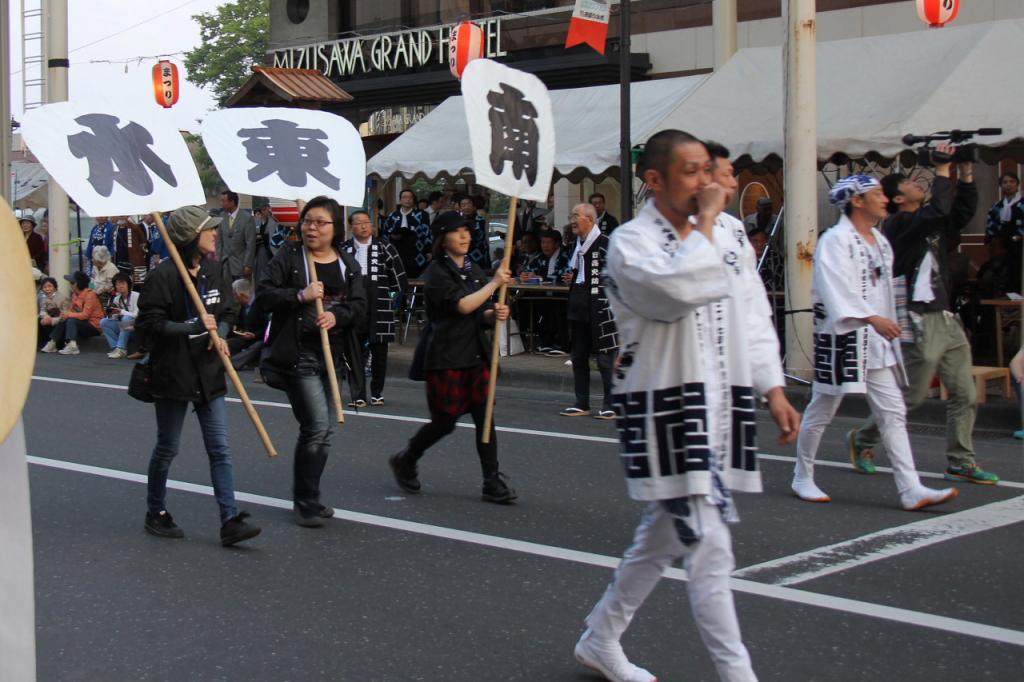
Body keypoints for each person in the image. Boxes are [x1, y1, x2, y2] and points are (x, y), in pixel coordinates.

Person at [575, 130, 800, 682]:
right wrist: (706, 226)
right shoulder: (630, 243)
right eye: (692, 172)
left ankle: (601, 637)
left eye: (708, 170)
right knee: (709, 547)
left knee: (664, 536)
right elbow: (676, 292)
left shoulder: (724, 232)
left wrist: (771, 386)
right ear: (654, 180)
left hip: (722, 401)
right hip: (666, 408)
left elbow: (750, 310)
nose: (707, 183)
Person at [793, 175, 959, 510]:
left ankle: (910, 488)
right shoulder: (835, 240)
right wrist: (871, 318)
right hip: (843, 338)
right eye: (877, 193)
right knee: (823, 407)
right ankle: (802, 475)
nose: (885, 198)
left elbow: (885, 287)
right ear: (856, 200)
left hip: (878, 340)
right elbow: (834, 288)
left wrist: (890, 322)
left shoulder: (881, 242)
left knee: (893, 412)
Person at [849, 146, 1000, 485]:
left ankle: (961, 460)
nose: (918, 181)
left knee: (964, 392)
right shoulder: (899, 225)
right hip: (919, 317)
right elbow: (938, 210)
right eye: (907, 182)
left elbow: (960, 211)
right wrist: (942, 170)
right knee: (913, 395)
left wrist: (965, 172)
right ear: (897, 200)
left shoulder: (929, 219)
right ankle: (864, 438)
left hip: (945, 315)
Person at [135, 205, 261, 546]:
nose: (216, 234)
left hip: (208, 371)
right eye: (209, 230)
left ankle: (230, 519)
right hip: (173, 371)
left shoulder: (213, 269)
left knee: (220, 447)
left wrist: (220, 331)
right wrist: (190, 326)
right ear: (192, 236)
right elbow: (148, 325)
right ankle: (155, 511)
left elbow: (228, 310)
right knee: (168, 447)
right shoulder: (163, 276)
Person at [387, 211, 517, 504]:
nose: (465, 237)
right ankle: (407, 457)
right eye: (457, 232)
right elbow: (461, 306)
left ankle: (491, 480)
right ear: (442, 239)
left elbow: (479, 310)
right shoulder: (436, 272)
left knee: (485, 417)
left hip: (476, 353)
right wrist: (494, 284)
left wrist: (493, 313)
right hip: (446, 356)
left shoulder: (474, 270)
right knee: (444, 422)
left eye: (467, 231)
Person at [258, 196, 367, 528]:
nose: (312, 227)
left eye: (320, 222)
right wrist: (299, 295)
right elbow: (263, 295)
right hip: (297, 354)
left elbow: (359, 306)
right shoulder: (290, 256)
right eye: (308, 220)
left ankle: (311, 496)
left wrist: (337, 315)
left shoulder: (348, 263)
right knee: (317, 426)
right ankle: (305, 501)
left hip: (333, 354)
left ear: (335, 228)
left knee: (325, 429)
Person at [342, 209, 407, 407]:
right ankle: (358, 394)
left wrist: (393, 299)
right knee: (355, 350)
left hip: (380, 302)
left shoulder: (385, 247)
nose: (363, 226)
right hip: (354, 303)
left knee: (380, 351)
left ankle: (377, 392)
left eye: (366, 222)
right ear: (350, 226)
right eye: (358, 222)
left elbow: (399, 278)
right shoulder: (344, 249)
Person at [560, 203, 618, 420]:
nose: (572, 220)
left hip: (602, 308)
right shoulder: (576, 245)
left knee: (605, 358)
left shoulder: (606, 244)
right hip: (579, 305)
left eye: (576, 216)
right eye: (571, 215)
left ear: (590, 220)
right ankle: (581, 401)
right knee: (579, 357)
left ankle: (610, 403)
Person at [524, 229, 571, 355]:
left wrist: (540, 278)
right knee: (531, 307)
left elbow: (564, 276)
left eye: (548, 243)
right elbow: (529, 270)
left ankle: (562, 344)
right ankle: (545, 343)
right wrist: (527, 275)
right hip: (543, 295)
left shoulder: (565, 257)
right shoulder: (539, 257)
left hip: (563, 296)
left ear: (557, 244)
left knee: (558, 310)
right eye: (543, 242)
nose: (544, 246)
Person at [41, 271, 102, 355]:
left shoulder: (90, 295)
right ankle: (52, 343)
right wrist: (64, 314)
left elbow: (85, 315)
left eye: (71, 282)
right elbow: (72, 311)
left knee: (70, 319)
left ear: (76, 284)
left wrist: (68, 314)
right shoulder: (75, 295)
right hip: (81, 323)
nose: (70, 284)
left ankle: (72, 346)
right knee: (66, 319)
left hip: (94, 326)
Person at [382, 189, 432, 278]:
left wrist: (429, 250)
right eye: (404, 197)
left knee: (415, 276)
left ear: (413, 200)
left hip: (416, 251)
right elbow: (385, 232)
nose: (407, 200)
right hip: (397, 251)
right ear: (400, 200)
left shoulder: (422, 215)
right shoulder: (393, 215)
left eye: (410, 197)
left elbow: (427, 233)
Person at [226, 278, 267, 370]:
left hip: (261, 338)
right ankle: (224, 361)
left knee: (256, 347)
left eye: (235, 295)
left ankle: (233, 364)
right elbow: (240, 322)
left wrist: (255, 335)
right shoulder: (244, 306)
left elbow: (268, 327)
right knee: (230, 343)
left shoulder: (261, 305)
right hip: (247, 336)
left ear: (242, 295)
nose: (234, 298)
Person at [216, 190, 256, 281]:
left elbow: (250, 244)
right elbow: (219, 242)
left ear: (232, 202)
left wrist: (248, 264)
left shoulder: (247, 218)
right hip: (225, 264)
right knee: (226, 292)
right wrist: (218, 260)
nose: (221, 203)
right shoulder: (222, 217)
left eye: (223, 201)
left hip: (241, 264)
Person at [100, 272, 139, 359]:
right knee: (104, 322)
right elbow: (118, 317)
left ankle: (121, 348)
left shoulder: (136, 296)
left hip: (136, 328)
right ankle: (115, 348)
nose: (120, 286)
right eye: (117, 284)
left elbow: (136, 315)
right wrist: (112, 314)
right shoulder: (117, 299)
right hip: (124, 327)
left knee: (126, 318)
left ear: (128, 284)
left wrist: (121, 312)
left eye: (122, 284)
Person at [984, 172, 1021, 243]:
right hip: (1001, 246)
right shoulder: (996, 206)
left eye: (1012, 181)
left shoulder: (1022, 204)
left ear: (1017, 185)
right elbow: (990, 226)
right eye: (1005, 182)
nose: (1008, 184)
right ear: (1001, 186)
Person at [112, 215, 148, 286]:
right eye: (119, 216)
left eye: (123, 216)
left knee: (138, 283)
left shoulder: (134, 227)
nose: (121, 217)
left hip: (134, 261)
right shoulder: (115, 228)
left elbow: (143, 241)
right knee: (123, 282)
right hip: (120, 261)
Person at [457, 193, 491, 270]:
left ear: (474, 207)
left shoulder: (481, 220)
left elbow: (482, 238)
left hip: (479, 257)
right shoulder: (456, 221)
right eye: (463, 205)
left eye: (469, 204)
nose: (466, 207)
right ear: (460, 208)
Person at [37, 276, 67, 346]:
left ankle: (55, 343)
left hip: (59, 321)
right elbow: (42, 310)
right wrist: (45, 316)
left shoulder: (62, 298)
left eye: (50, 286)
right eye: (44, 287)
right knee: (39, 320)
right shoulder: (43, 298)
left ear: (55, 287)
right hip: (49, 320)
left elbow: (65, 315)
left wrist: (52, 320)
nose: (47, 289)